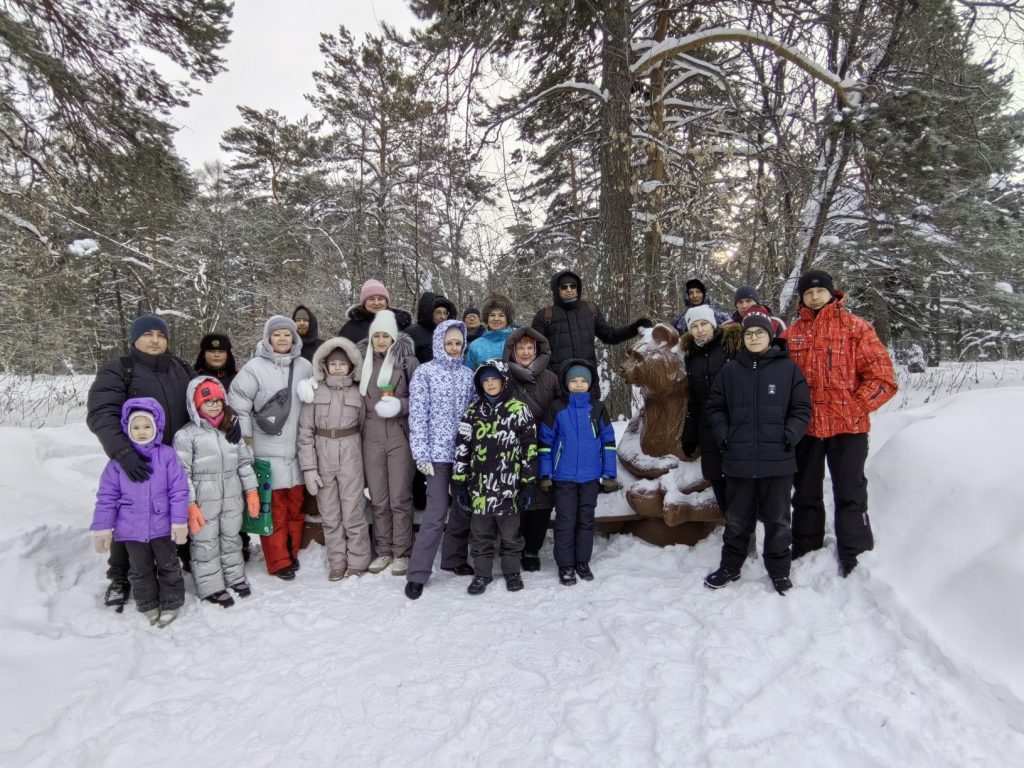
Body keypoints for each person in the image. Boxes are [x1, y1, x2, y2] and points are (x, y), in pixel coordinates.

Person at [87, 314, 211, 609]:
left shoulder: (181, 368)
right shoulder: (120, 370)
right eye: (148, 334)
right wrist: (124, 453)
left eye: (161, 335)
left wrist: (224, 423)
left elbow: (202, 404)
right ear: (135, 338)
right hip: (136, 461)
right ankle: (120, 575)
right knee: (130, 516)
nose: (155, 340)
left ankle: (178, 559)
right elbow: (102, 414)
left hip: (175, 458)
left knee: (178, 508)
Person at [781, 270, 897, 576]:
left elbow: (883, 378)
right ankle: (805, 547)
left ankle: (855, 553)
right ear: (801, 298)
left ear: (832, 293)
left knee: (850, 492)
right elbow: (778, 380)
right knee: (805, 492)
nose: (814, 297)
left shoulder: (856, 328)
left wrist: (855, 407)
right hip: (806, 429)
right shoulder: (791, 335)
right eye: (808, 293)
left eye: (819, 291)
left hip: (849, 428)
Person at [703, 314, 812, 594]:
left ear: (770, 337)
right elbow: (715, 407)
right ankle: (730, 567)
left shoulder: (788, 370)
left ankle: (779, 570)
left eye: (759, 333)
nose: (754, 338)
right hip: (738, 459)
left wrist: (789, 435)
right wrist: (725, 436)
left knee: (778, 520)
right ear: (743, 338)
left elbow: (801, 409)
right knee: (737, 520)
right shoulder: (730, 371)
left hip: (778, 459)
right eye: (749, 334)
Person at [228, 316, 314, 580]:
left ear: (294, 338)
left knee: (295, 508)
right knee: (274, 510)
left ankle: (291, 552)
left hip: (298, 453)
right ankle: (278, 561)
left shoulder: (305, 367)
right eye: (277, 335)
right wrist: (246, 443)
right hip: (267, 453)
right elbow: (239, 406)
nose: (282, 339)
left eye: (287, 334)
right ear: (268, 338)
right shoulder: (254, 368)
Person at [90, 398, 189, 627]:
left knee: (168, 565)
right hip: (131, 529)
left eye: (146, 426)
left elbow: (178, 490)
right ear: (127, 428)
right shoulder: (118, 462)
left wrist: (179, 522)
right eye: (136, 427)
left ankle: (171, 601)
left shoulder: (166, 455)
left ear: (156, 427)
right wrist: (102, 528)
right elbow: (107, 497)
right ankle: (147, 603)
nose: (142, 431)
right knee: (139, 569)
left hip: (162, 527)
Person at [404, 320, 478, 599]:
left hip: (462, 454)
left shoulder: (468, 375)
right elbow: (417, 416)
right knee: (436, 512)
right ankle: (418, 572)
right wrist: (421, 453)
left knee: (461, 508)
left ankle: (453, 558)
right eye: (449, 343)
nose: (454, 347)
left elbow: (474, 414)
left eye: (458, 343)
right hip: (435, 456)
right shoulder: (425, 373)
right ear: (439, 344)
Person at [452, 361, 537, 595]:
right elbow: (462, 448)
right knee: (480, 536)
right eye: (485, 381)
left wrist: (528, 484)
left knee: (511, 536)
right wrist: (459, 482)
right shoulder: (473, 412)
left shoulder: (519, 410)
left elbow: (530, 449)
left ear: (504, 380)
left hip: (509, 489)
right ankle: (482, 574)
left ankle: (512, 572)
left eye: (494, 379)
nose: (490, 384)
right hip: (479, 490)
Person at [173, 377, 260, 607]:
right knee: (206, 542)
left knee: (231, 537)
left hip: (231, 493)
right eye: (207, 401)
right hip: (204, 497)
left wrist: (251, 491)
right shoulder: (186, 435)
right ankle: (211, 587)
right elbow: (182, 474)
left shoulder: (230, 431)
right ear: (196, 404)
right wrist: (190, 505)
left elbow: (244, 463)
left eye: (218, 400)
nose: (213, 405)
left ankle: (235, 577)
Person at [296, 338, 371, 580]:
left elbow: (365, 427)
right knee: (329, 513)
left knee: (353, 511)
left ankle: (358, 561)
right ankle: (337, 561)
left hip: (351, 455)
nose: (338, 368)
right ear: (325, 365)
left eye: (342, 364)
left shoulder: (359, 393)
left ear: (351, 366)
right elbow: (305, 432)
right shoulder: (315, 392)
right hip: (323, 456)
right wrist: (309, 468)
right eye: (333, 364)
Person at [538, 360, 617, 586]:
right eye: (574, 380)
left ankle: (582, 561)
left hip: (590, 477)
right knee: (565, 520)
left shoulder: (598, 408)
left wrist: (609, 474)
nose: (579, 384)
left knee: (586, 520)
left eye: (583, 380)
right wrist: (545, 475)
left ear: (590, 383)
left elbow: (608, 442)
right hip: (563, 477)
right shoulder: (556, 408)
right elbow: (545, 442)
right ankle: (565, 565)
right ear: (566, 383)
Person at [358, 309, 418, 575]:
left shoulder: (407, 362)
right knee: (378, 498)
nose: (381, 340)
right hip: (370, 434)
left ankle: (401, 551)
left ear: (394, 338)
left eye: (386, 336)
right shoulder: (362, 363)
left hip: (398, 432)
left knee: (399, 497)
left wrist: (400, 405)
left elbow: (421, 399)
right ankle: (383, 550)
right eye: (377, 336)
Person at [502, 327, 560, 572]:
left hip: (542, 444)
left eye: (530, 348)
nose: (526, 352)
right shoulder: (503, 375)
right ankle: (512, 545)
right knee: (514, 494)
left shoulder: (551, 378)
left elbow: (558, 410)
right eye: (521, 348)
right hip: (510, 445)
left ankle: (532, 548)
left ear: (538, 351)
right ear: (512, 350)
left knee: (541, 496)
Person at [679, 304, 741, 517]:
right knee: (717, 480)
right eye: (694, 326)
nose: (700, 330)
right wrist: (689, 434)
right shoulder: (691, 356)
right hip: (708, 426)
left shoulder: (731, 346)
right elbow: (694, 399)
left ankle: (744, 530)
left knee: (739, 480)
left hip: (735, 422)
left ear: (713, 324)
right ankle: (732, 525)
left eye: (704, 324)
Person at [531, 269, 651, 377]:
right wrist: (550, 376)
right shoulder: (544, 316)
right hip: (556, 384)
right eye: (564, 287)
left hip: (587, 381)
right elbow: (535, 352)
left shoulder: (590, 310)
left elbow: (610, 336)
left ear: (578, 288)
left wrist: (634, 328)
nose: (569, 290)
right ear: (556, 290)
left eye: (573, 286)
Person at [339, 278, 413, 344]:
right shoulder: (350, 327)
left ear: (386, 302)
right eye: (371, 299)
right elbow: (339, 351)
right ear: (364, 303)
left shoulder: (401, 323)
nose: (376, 303)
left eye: (380, 299)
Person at [464, 293, 515, 371]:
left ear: (507, 319)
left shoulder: (516, 342)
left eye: (501, 315)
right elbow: (468, 373)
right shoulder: (475, 345)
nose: (496, 319)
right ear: (486, 317)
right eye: (492, 315)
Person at [408, 291, 458, 363]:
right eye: (438, 312)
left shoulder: (450, 333)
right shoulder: (411, 334)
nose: (443, 317)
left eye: (445, 313)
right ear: (429, 313)